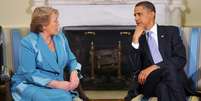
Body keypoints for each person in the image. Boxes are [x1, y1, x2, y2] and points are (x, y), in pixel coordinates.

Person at [11, 7, 83, 101]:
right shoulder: (28, 43)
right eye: (55, 21)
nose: (58, 24)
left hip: (58, 85)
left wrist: (74, 73)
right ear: (43, 26)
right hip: (30, 84)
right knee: (51, 98)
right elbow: (29, 73)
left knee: (65, 96)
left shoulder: (60, 37)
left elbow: (71, 60)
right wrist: (56, 84)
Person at [124, 1, 190, 101]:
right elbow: (134, 69)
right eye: (135, 15)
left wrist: (155, 66)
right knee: (168, 70)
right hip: (149, 83)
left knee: (163, 88)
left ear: (152, 13)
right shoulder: (135, 39)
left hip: (169, 81)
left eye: (139, 14)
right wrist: (135, 41)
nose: (136, 18)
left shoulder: (171, 32)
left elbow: (180, 59)